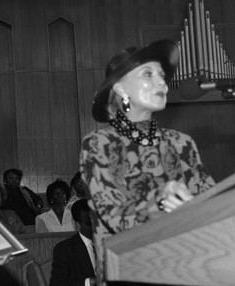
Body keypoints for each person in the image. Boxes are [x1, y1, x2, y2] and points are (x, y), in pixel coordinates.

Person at [79, 39, 216, 285]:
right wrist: (158, 202)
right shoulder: (99, 144)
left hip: (186, 269)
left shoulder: (182, 143)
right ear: (121, 89)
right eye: (148, 74)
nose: (162, 82)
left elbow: (211, 202)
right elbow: (114, 216)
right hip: (126, 274)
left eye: (162, 75)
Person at [50, 199, 96, 286]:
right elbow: (57, 283)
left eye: (97, 222)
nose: (95, 227)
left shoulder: (112, 241)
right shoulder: (65, 250)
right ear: (77, 224)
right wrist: (89, 282)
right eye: (89, 224)